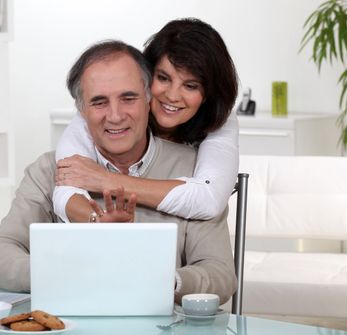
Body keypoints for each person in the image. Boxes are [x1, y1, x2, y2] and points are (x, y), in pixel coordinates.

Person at [0, 40, 237, 304]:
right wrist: (64, 273)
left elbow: (221, 274)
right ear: (82, 110)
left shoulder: (194, 172)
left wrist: (164, 280)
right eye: (99, 102)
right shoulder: (48, 170)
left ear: (149, 99)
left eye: (128, 98)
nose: (115, 116)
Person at [53, 18, 239, 222]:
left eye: (191, 86)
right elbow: (68, 181)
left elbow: (209, 200)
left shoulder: (220, 118)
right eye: (163, 78)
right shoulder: (106, 110)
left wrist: (106, 180)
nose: (173, 96)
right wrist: (99, 222)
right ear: (146, 77)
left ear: (208, 94)